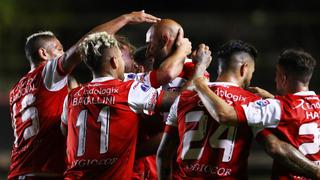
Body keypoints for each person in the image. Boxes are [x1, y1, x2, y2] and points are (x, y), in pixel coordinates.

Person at [8, 11, 161, 179]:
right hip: (44, 171)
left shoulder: (17, 89)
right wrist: (126, 18)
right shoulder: (47, 74)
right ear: (43, 53)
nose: (64, 53)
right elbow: (84, 44)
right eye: (59, 50)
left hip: (19, 170)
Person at [60, 31, 197, 179]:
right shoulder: (129, 90)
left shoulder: (72, 96)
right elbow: (181, 101)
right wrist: (199, 71)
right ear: (114, 61)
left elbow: (65, 130)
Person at [193, 49, 320, 179]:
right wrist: (273, 99)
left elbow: (225, 114)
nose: (275, 79)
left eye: (276, 74)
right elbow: (297, 111)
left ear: (283, 78)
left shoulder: (276, 107)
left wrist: (199, 84)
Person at [157, 40, 264, 179]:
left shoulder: (184, 98)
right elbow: (273, 146)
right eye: (252, 72)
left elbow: (164, 153)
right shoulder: (253, 103)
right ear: (245, 68)